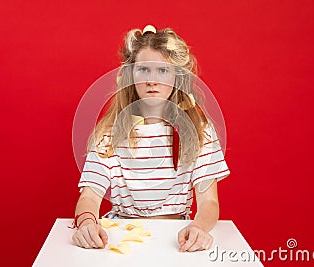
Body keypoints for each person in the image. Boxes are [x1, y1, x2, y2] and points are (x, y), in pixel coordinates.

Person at [71, 25, 231, 252]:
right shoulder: (109, 132)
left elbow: (208, 202)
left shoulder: (199, 131)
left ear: (178, 77)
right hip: (120, 236)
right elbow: (90, 196)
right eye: (143, 70)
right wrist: (87, 223)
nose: (152, 80)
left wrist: (199, 228)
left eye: (163, 70)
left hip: (177, 239)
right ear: (130, 76)